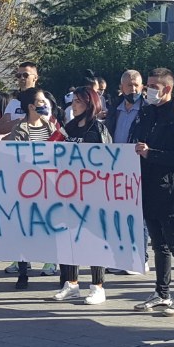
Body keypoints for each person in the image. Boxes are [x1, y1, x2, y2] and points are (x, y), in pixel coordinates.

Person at [132, 68, 174, 316]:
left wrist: (151, 153)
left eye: (152, 86)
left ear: (166, 89)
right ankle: (162, 292)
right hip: (149, 187)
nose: (147, 90)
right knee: (159, 245)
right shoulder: (148, 113)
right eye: (147, 85)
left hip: (171, 190)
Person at [50, 84, 114, 305]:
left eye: (78, 101)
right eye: (73, 101)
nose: (73, 105)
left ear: (90, 103)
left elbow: (109, 160)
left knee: (94, 239)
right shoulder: (69, 127)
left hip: (93, 195)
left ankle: (97, 286)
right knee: (67, 238)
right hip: (68, 193)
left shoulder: (98, 129)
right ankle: (71, 283)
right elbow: (50, 149)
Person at [6, 88, 66, 289]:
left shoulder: (51, 126)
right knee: (25, 230)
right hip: (28, 187)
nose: (45, 104)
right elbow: (16, 156)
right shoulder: (20, 129)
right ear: (31, 107)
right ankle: (23, 272)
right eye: (41, 101)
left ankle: (54, 265)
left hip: (49, 186)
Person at [107, 69, 146, 143]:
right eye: (129, 85)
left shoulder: (147, 110)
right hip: (114, 153)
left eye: (136, 85)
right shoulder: (114, 108)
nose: (133, 89)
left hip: (135, 153)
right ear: (121, 88)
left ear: (141, 87)